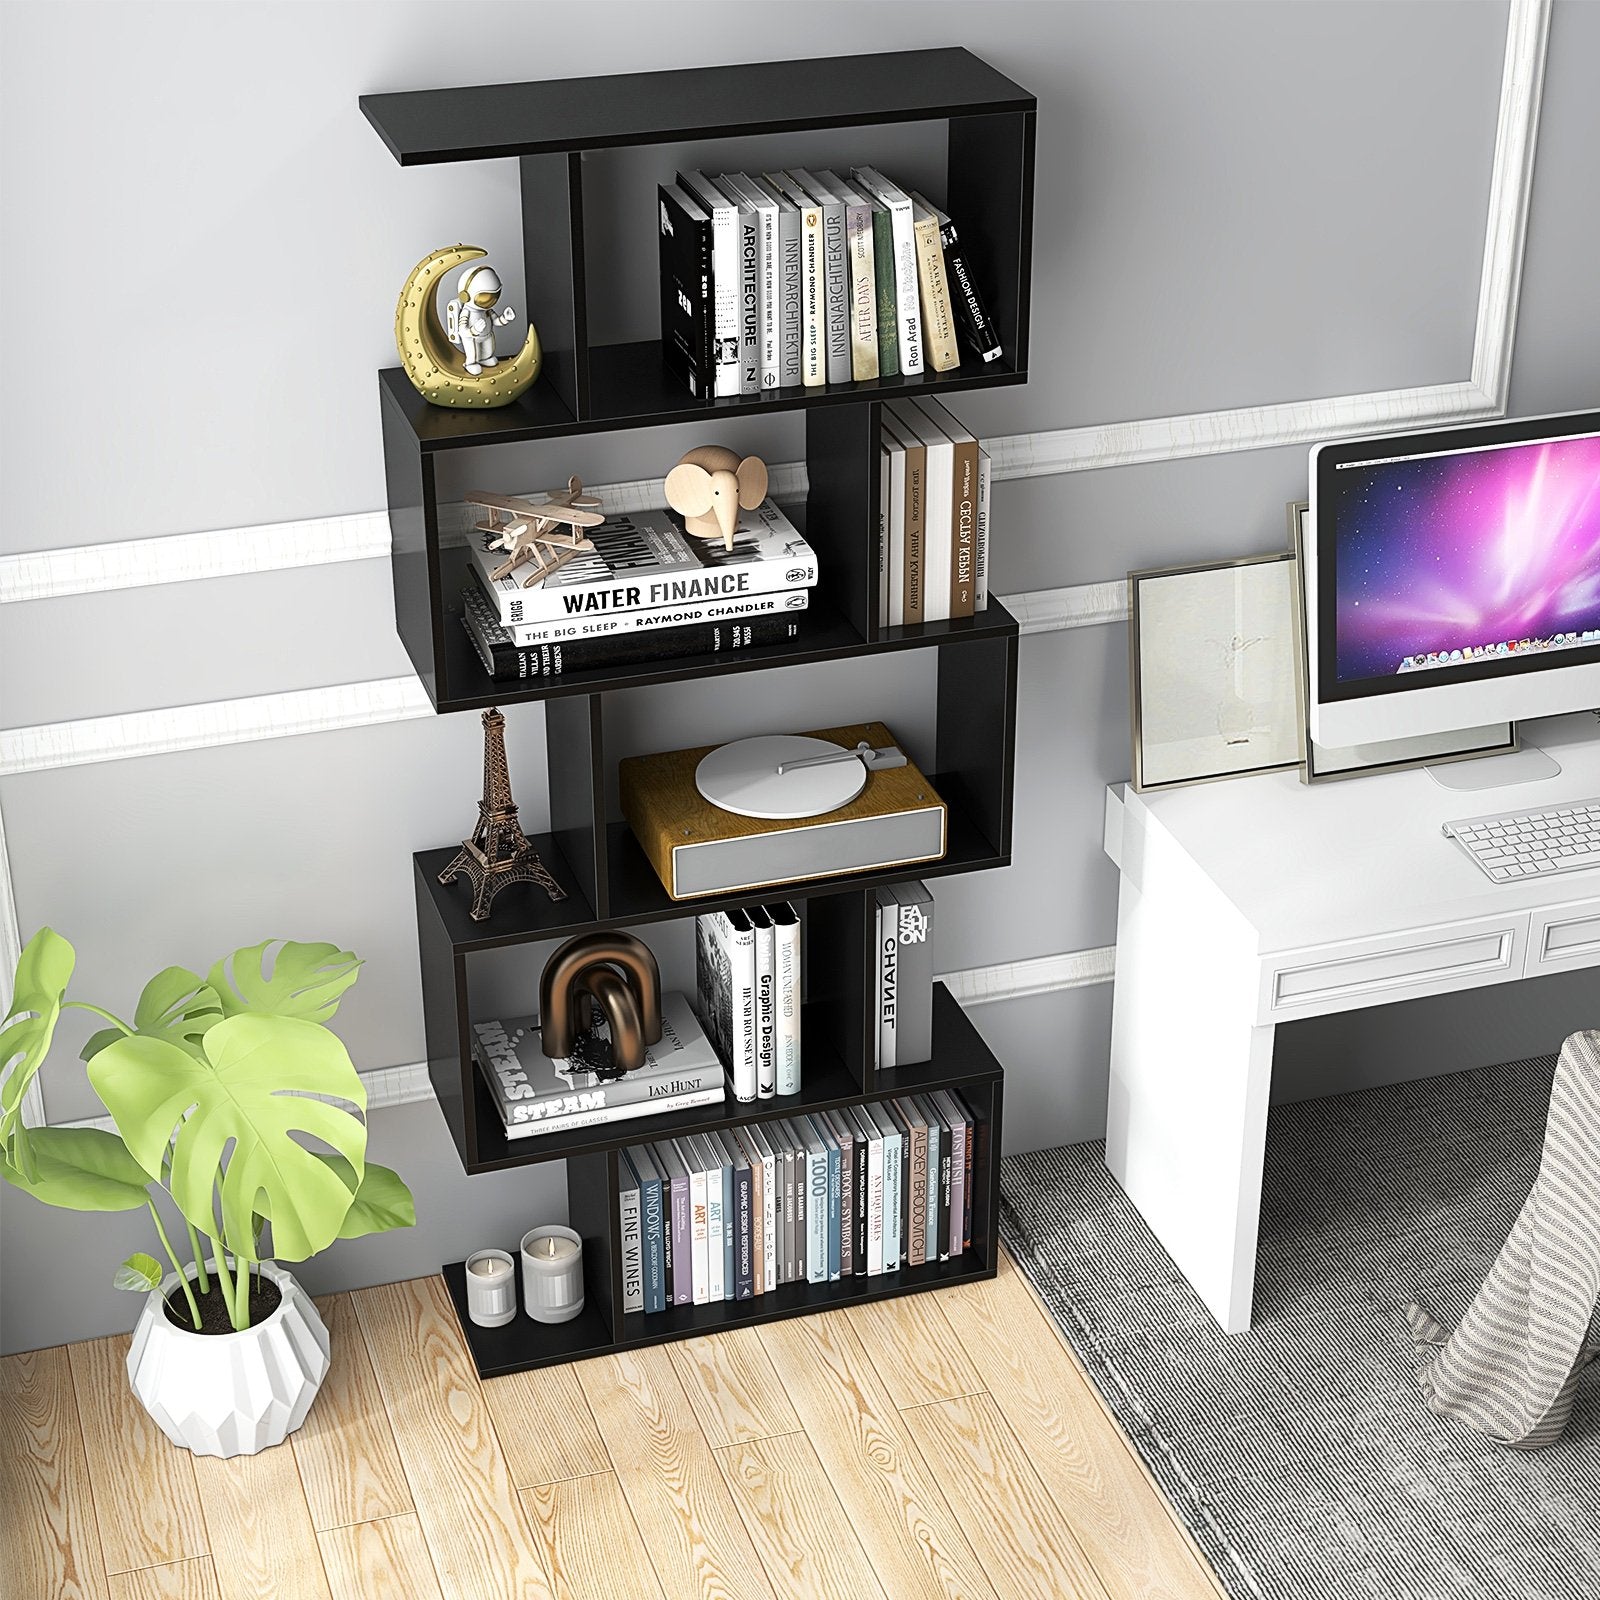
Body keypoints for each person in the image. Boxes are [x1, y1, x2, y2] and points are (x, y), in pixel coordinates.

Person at [447, 264, 517, 373]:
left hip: (487, 335)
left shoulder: (487, 310)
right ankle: (470, 363)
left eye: (494, 296)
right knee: (472, 354)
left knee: (488, 352)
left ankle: (485, 359)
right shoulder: (467, 312)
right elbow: (462, 330)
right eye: (485, 297)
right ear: (465, 296)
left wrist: (505, 318)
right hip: (471, 338)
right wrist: (474, 330)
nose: (490, 301)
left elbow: (496, 321)